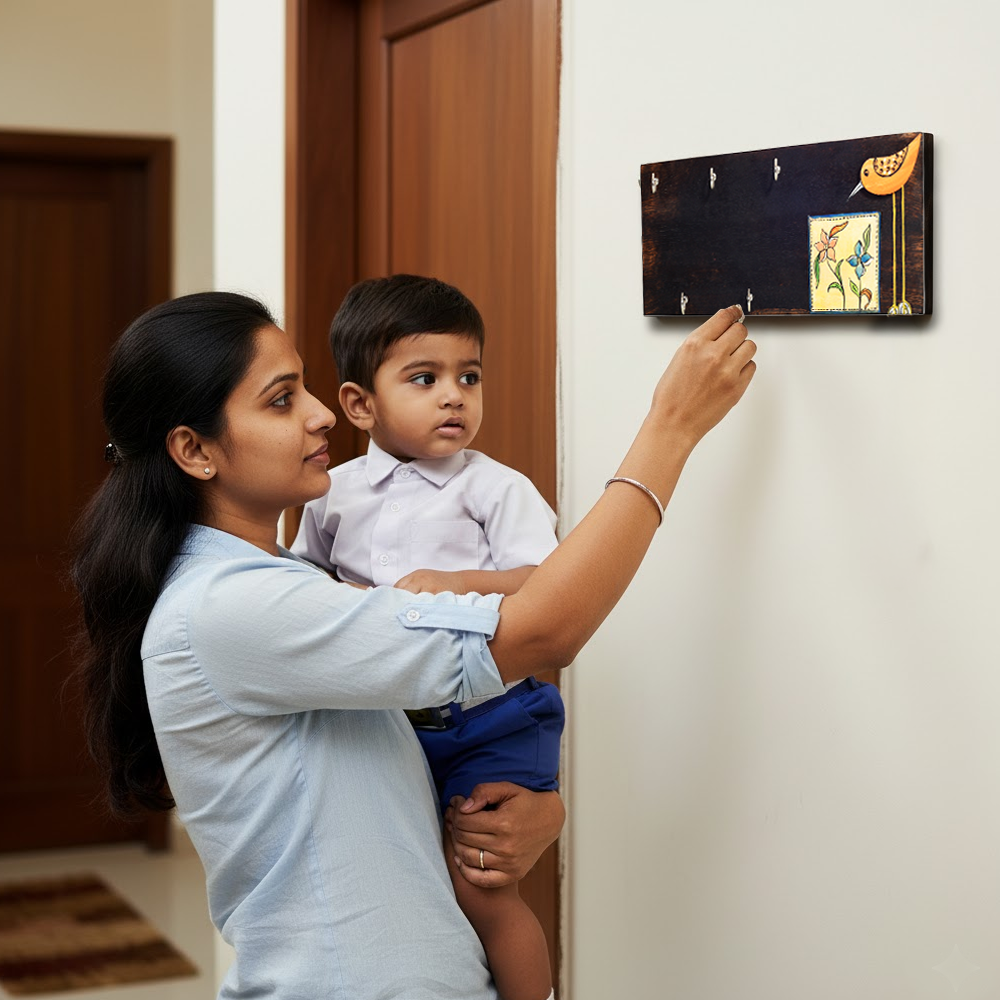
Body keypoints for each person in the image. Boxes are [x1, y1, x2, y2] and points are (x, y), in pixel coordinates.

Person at [71, 291, 755, 1000]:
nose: (321, 413)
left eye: (304, 386)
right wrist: (669, 429)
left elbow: (357, 789)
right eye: (281, 400)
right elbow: (543, 630)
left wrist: (524, 807)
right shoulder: (232, 606)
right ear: (194, 449)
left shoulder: (287, 581)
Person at [291, 275, 564, 1000]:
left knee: (480, 887)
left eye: (468, 376)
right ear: (359, 404)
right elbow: (303, 588)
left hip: (494, 718)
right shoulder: (331, 495)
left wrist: (456, 585)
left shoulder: (495, 488)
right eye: (425, 377)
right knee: (407, 876)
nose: (455, 395)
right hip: (391, 724)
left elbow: (546, 581)